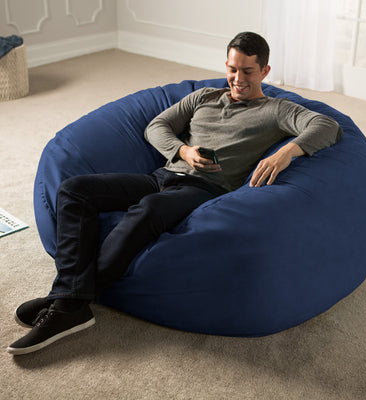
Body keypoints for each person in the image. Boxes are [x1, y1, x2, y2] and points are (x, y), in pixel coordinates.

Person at [7, 32, 342, 355]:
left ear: (265, 71)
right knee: (74, 189)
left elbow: (328, 126)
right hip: (161, 176)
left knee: (149, 209)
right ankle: (69, 298)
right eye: (232, 69)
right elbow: (156, 126)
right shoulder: (204, 97)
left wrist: (287, 153)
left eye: (248, 71)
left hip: (204, 189)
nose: (238, 79)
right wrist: (185, 151)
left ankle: (66, 304)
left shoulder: (277, 110)